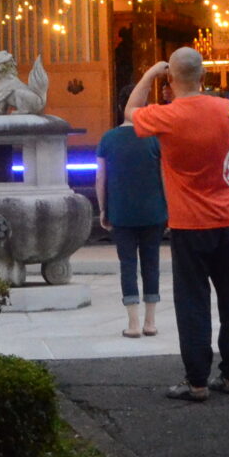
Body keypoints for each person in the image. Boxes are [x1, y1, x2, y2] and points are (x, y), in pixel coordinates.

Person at [124, 46, 229, 401]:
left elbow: (130, 112)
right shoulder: (224, 109)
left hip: (190, 223)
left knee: (193, 303)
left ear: (170, 79)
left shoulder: (167, 116)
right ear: (204, 76)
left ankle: (196, 381)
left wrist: (149, 74)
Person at [94, 118, 164, 337]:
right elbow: (165, 175)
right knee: (151, 263)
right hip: (153, 211)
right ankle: (150, 322)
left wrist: (103, 209)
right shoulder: (154, 138)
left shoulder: (108, 138)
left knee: (127, 264)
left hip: (121, 211)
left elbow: (100, 176)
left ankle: (133, 324)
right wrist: (169, 206)